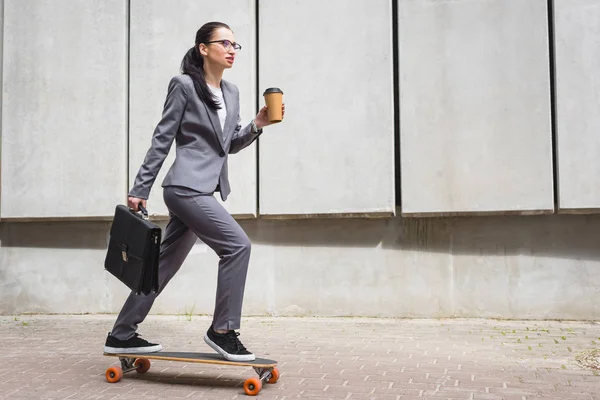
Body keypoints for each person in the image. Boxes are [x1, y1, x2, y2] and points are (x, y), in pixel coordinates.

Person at [103, 22, 284, 361]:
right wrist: (140, 187)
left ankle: (121, 333)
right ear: (204, 48)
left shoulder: (231, 92)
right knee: (237, 246)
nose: (231, 49)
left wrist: (258, 125)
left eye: (235, 44)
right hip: (185, 188)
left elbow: (226, 146)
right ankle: (223, 331)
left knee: (162, 266)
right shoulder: (184, 85)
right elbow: (162, 138)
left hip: (204, 190)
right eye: (224, 42)